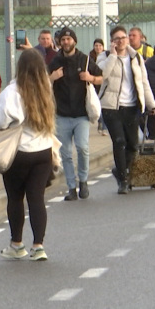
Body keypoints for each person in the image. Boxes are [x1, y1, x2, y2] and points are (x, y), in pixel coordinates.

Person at [0, 50, 58, 262]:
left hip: (18, 152)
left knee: (15, 198)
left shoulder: (12, 92)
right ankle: (39, 246)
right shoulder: (46, 89)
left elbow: (1, 120)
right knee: (36, 198)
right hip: (43, 152)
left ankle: (17, 244)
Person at [98, 25, 155, 194]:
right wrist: (113, 56)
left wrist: (151, 104)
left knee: (133, 144)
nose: (121, 41)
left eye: (123, 38)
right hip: (111, 107)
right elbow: (103, 75)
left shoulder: (135, 57)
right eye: (117, 39)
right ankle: (123, 179)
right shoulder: (105, 56)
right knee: (119, 141)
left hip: (131, 106)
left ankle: (119, 170)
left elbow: (143, 83)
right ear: (112, 41)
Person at [48, 27, 102, 201]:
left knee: (82, 148)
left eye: (69, 39)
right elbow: (42, 83)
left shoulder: (85, 60)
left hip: (81, 114)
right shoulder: (55, 61)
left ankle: (84, 181)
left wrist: (91, 78)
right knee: (65, 153)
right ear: (59, 42)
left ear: (75, 41)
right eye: (63, 39)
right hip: (62, 114)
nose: (66, 42)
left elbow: (101, 77)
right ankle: (71, 187)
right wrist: (52, 77)